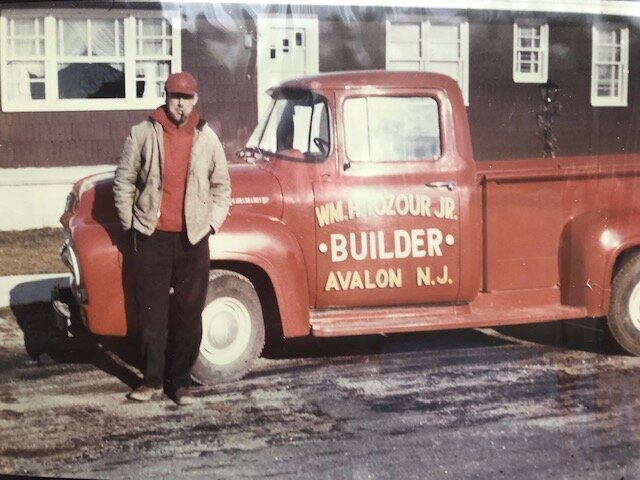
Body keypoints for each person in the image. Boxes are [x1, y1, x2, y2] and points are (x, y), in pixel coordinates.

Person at [113, 72, 231, 405]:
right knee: (152, 313)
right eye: (174, 96)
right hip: (151, 237)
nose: (180, 103)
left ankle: (180, 381)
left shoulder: (207, 139)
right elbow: (123, 183)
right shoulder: (142, 134)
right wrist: (131, 225)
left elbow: (222, 187)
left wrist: (211, 225)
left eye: (187, 97)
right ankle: (151, 380)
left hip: (192, 239)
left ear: (195, 100)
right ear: (166, 96)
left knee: (189, 314)